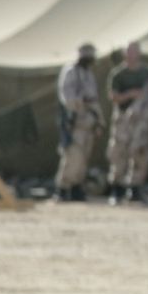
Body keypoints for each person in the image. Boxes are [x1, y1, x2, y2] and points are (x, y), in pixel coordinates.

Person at [107, 41, 148, 201]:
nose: (132, 55)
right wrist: (130, 94)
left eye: (134, 51)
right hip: (123, 118)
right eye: (129, 51)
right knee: (119, 152)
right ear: (125, 54)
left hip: (142, 120)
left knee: (140, 152)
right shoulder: (118, 74)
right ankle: (116, 188)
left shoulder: (147, 72)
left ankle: (135, 187)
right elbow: (113, 97)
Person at [54, 42, 103, 202]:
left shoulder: (88, 74)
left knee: (84, 158)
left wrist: (99, 122)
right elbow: (68, 98)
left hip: (88, 123)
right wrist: (80, 104)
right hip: (75, 123)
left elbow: (94, 100)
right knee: (73, 157)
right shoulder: (71, 72)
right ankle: (63, 188)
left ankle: (76, 188)